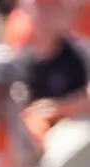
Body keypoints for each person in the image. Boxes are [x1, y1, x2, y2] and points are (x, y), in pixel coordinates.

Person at [21, 0, 90, 135]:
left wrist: (60, 108)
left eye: (50, 8)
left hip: (76, 130)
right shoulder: (23, 57)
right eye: (39, 8)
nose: (43, 14)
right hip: (34, 133)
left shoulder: (81, 53)